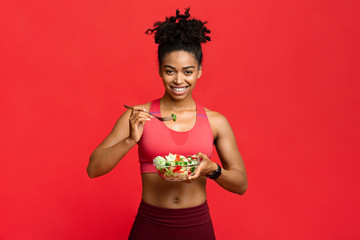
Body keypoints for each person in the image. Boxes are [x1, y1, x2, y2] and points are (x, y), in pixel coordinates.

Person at [87, 8, 248, 240]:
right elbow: (93, 169)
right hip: (150, 226)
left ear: (199, 71)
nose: (179, 80)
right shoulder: (139, 115)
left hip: (197, 227)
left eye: (188, 71)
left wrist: (212, 169)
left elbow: (241, 184)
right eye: (170, 71)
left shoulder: (216, 122)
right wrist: (130, 139)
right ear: (160, 71)